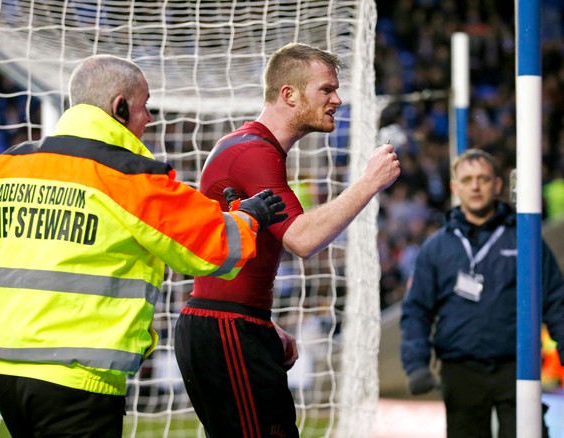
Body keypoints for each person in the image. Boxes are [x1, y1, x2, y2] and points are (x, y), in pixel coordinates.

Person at [0, 53, 288, 438]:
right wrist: (249, 216)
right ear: (120, 106)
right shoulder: (125, 172)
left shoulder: (7, 165)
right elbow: (212, 249)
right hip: (80, 381)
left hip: (7, 379)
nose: (150, 119)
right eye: (146, 107)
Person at [173, 42, 401, 437]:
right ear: (289, 94)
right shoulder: (253, 152)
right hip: (226, 326)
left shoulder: (253, 147)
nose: (337, 99)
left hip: (236, 321)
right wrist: (368, 182)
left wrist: (262, 324)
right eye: (326, 89)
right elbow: (301, 238)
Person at [400, 149, 564, 438]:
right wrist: (416, 363)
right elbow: (416, 310)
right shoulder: (437, 248)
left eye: (483, 178)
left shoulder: (525, 238)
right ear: (455, 187)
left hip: (517, 367)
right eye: (468, 179)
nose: (475, 186)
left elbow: (556, 300)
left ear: (498, 185)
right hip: (460, 370)